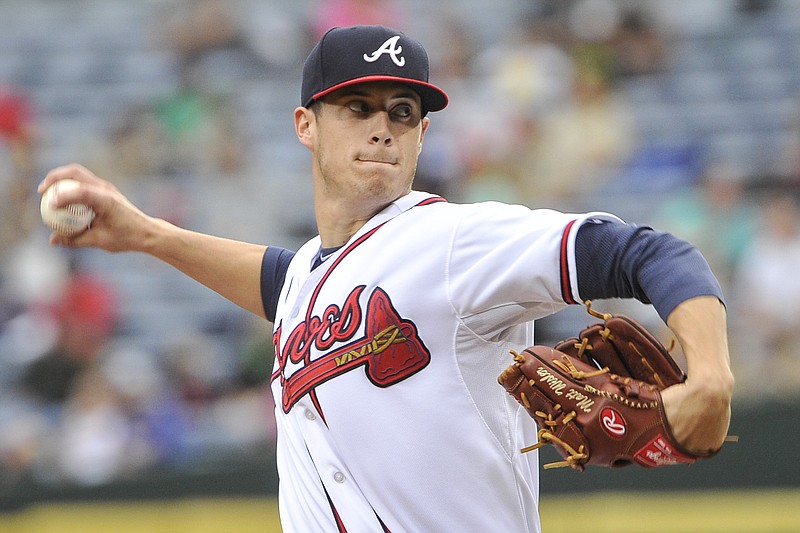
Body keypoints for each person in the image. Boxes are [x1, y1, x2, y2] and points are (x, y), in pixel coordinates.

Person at [38, 25, 733, 533]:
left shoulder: (452, 240)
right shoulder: (314, 277)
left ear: (423, 136)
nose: (383, 127)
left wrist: (711, 375)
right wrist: (145, 234)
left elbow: (647, 252)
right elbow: (287, 282)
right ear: (306, 125)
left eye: (403, 112)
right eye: (358, 107)